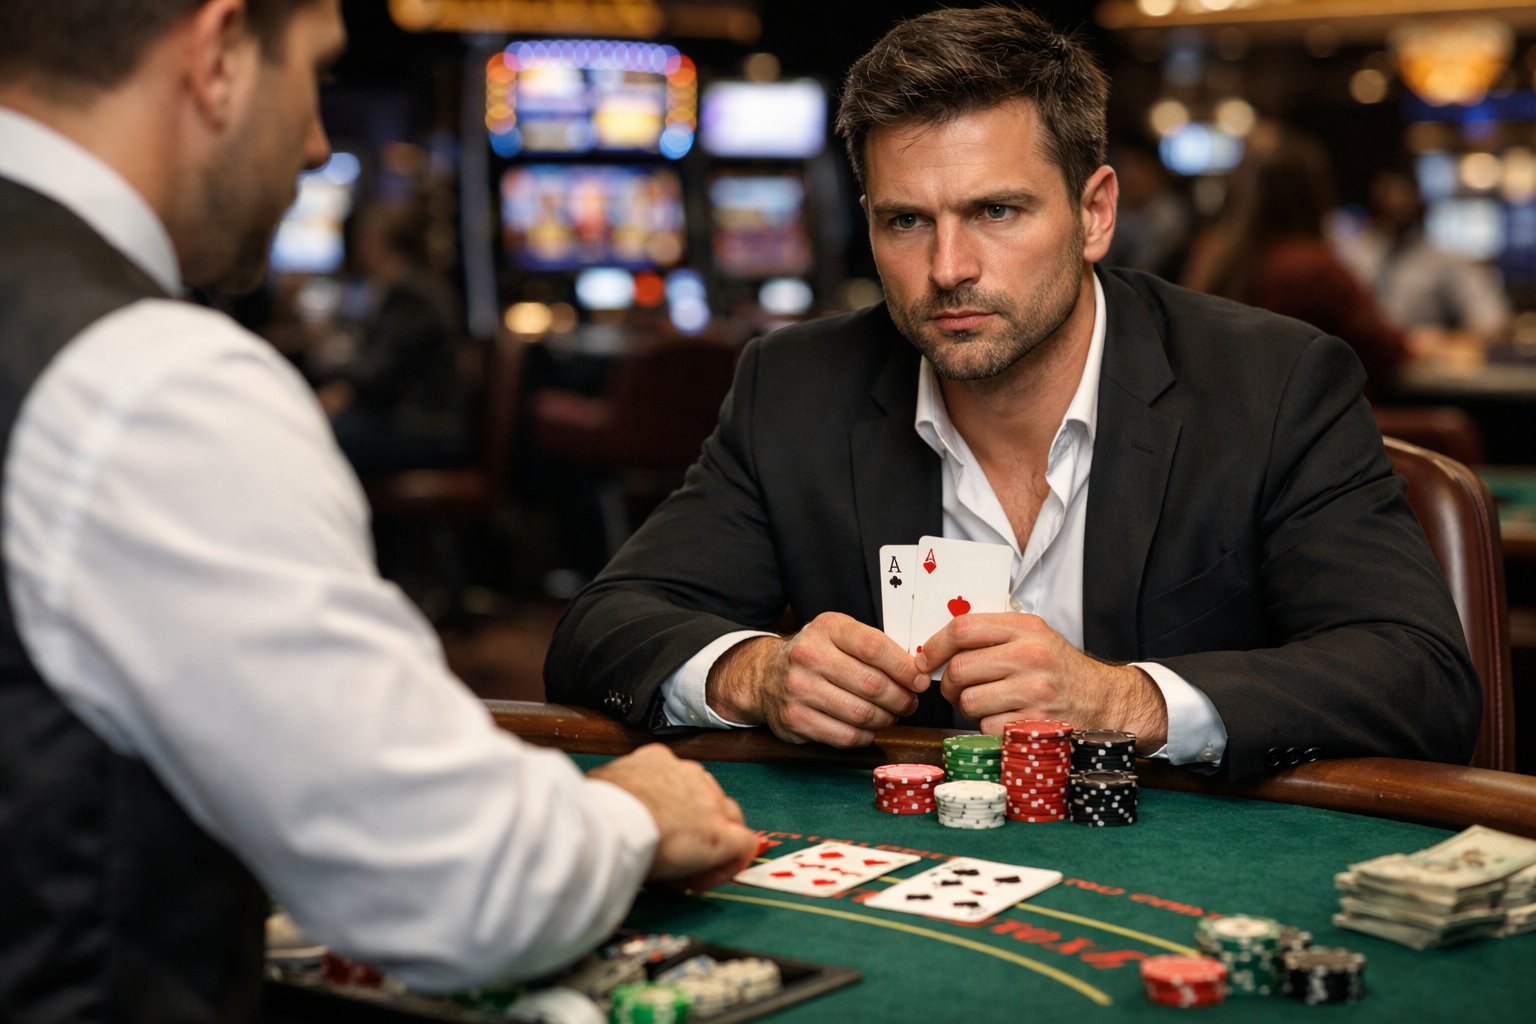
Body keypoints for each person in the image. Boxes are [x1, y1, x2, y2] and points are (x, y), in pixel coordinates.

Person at [0, 1, 757, 1018]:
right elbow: (454, 884)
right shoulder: (146, 378)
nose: (317, 143)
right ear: (221, 53)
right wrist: (628, 813)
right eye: (315, 72)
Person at [544, 6, 1479, 783]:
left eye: (996, 211)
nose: (948, 269)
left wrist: (1126, 700)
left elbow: (1420, 677)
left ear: (1095, 212)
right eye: (905, 221)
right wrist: (756, 673)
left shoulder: (1274, 384)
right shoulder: (795, 387)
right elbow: (602, 628)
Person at [1179, 123, 1410, 399]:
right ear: (1316, 191)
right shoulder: (1314, 268)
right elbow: (1388, 351)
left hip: (1222, 422)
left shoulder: (1214, 256)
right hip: (1303, 430)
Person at [316, 199, 471, 477]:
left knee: (320, 439)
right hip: (405, 418)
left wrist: (334, 382)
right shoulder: (399, 287)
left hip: (426, 429)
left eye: (364, 237)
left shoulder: (412, 295)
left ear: (380, 241)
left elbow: (378, 374)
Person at [1335, 167, 1512, 347]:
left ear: (1419, 201)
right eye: (1389, 194)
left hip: (1419, 364)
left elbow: (1492, 318)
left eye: (1404, 194)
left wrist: (1444, 340)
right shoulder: (1356, 256)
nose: (1397, 202)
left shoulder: (1443, 260)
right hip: (1362, 360)